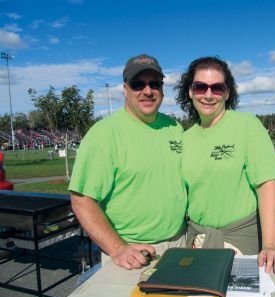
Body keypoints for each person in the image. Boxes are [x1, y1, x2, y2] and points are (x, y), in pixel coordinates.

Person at [69, 54, 187, 271]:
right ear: (125, 89)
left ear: (162, 88)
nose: (148, 91)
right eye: (138, 84)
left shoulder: (174, 128)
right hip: (132, 253)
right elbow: (81, 200)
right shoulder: (103, 135)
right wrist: (117, 248)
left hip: (180, 243)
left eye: (154, 84)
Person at [175, 56, 275, 274]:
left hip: (240, 239)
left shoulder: (247, 126)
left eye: (217, 88)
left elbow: (266, 185)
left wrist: (269, 245)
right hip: (197, 240)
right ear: (190, 91)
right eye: (200, 87)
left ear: (227, 93)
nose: (208, 95)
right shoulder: (185, 138)